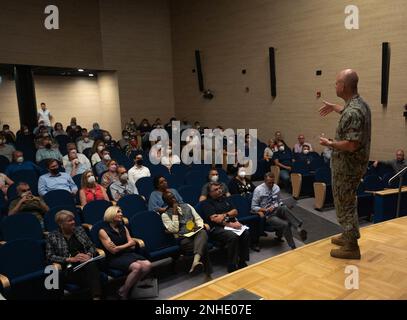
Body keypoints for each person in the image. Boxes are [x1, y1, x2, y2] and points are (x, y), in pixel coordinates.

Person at [319, 69, 371, 259]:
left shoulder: (354, 111)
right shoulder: (357, 105)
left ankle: (351, 247)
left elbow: (351, 144)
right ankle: (348, 234)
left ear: (343, 86)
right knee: (347, 201)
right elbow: (349, 114)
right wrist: (335, 107)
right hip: (351, 166)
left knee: (344, 203)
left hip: (347, 167)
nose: (335, 85)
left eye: (336, 82)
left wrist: (330, 143)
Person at [45, 210, 102, 299]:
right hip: (69, 267)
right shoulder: (52, 236)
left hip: (85, 263)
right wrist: (69, 259)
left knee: (91, 265)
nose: (73, 222)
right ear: (61, 224)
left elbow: (92, 246)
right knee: (92, 274)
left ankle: (96, 297)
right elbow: (49, 256)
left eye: (73, 219)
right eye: (69, 221)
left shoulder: (79, 230)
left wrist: (89, 254)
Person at [99, 206, 152, 299]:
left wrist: (120, 247)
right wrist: (126, 245)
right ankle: (124, 293)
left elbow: (132, 244)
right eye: (118, 212)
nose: (121, 214)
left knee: (147, 265)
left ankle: (125, 288)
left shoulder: (123, 227)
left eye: (121, 212)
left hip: (127, 254)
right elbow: (113, 251)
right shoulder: (103, 231)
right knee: (137, 267)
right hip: (114, 258)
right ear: (111, 214)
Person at [200, 182, 250, 273]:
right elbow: (215, 220)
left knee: (245, 232)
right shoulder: (206, 203)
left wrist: (224, 215)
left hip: (229, 224)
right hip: (216, 228)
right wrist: (231, 224)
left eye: (219, 188)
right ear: (210, 193)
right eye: (215, 189)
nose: (219, 190)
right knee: (232, 236)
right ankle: (232, 264)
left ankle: (242, 261)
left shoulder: (226, 199)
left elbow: (235, 212)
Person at [251, 173, 307, 250]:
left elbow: (279, 201)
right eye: (269, 183)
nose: (271, 185)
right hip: (268, 215)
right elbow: (253, 207)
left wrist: (286, 204)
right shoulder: (258, 190)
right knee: (286, 224)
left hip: (277, 209)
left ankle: (298, 228)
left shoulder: (276, 187)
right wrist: (265, 209)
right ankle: (293, 246)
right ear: (265, 181)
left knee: (284, 208)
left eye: (272, 182)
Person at [161, 191, 212, 275]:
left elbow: (198, 219)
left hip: (196, 233)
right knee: (203, 244)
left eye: (173, 197)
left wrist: (199, 226)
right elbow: (174, 229)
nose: (173, 200)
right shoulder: (165, 215)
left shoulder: (187, 206)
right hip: (184, 238)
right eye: (170, 199)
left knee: (202, 232)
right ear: (166, 202)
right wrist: (174, 213)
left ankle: (195, 263)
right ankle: (206, 271)